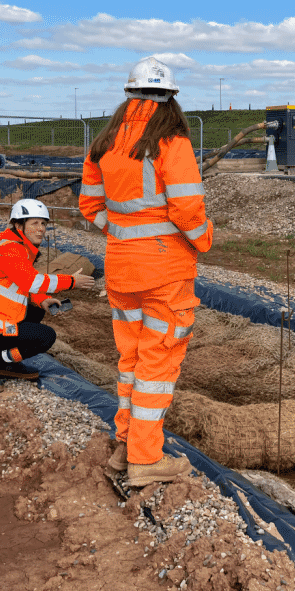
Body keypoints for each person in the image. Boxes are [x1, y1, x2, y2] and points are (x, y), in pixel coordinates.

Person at [79, 56, 213, 488]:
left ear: (130, 95)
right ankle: (144, 459)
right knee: (158, 365)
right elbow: (188, 207)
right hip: (164, 271)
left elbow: (90, 206)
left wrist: (124, 236)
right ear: (170, 98)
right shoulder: (170, 141)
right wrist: (203, 239)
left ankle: (126, 445)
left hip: (121, 267)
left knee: (131, 360)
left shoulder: (104, 143)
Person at [0, 198, 95, 393]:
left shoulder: (17, 248)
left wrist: (41, 300)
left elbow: (19, 286)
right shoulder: (11, 249)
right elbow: (32, 282)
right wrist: (72, 281)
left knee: (35, 311)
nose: (40, 229)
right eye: (34, 223)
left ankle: (4, 363)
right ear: (18, 225)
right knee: (45, 337)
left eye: (43, 223)